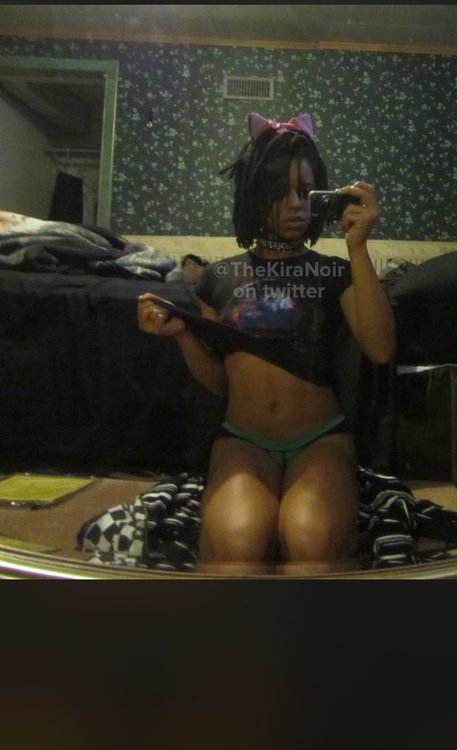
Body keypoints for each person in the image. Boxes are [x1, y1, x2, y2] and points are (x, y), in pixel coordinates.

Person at [137, 111, 395, 572]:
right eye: (280, 192)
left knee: (314, 542)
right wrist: (182, 336)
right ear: (255, 195)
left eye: (305, 191)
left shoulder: (335, 271)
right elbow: (221, 383)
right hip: (243, 440)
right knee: (235, 547)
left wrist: (358, 247)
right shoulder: (217, 279)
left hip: (320, 440)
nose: (295, 204)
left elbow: (381, 349)